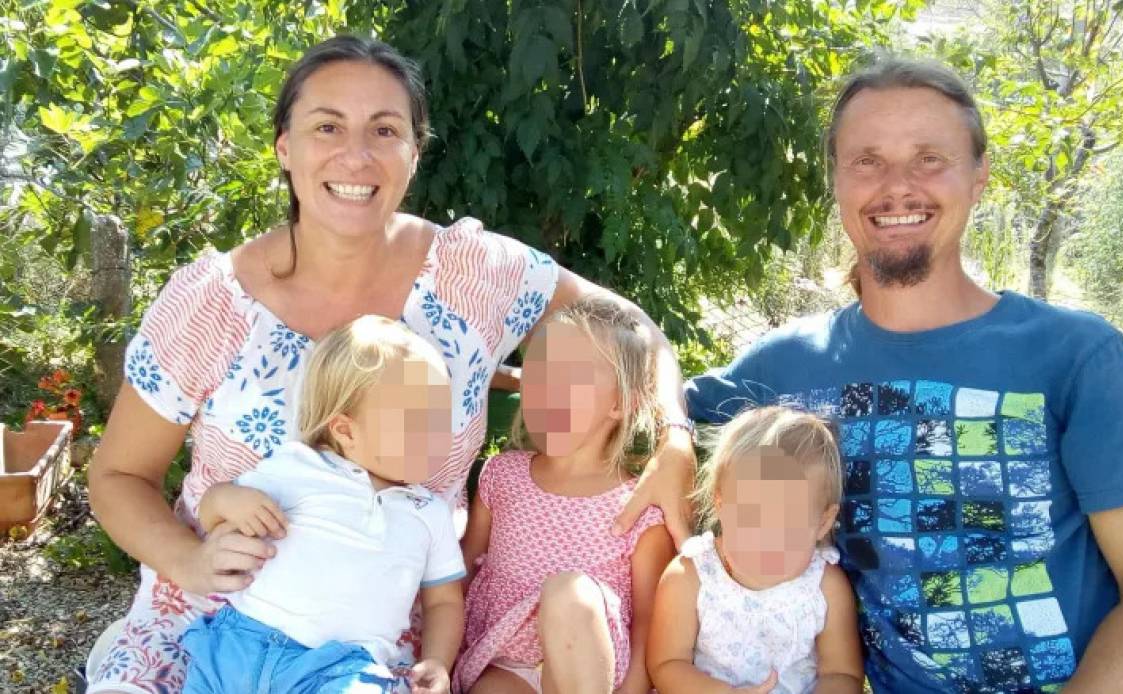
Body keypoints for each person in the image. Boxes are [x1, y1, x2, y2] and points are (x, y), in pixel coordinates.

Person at [87, 35, 695, 694]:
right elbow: (118, 476)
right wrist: (189, 559)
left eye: (384, 130)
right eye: (327, 126)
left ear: (414, 151)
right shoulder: (212, 302)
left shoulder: (473, 275)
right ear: (284, 147)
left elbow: (630, 327)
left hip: (386, 651)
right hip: (210, 628)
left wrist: (674, 437)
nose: (356, 155)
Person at [684, 57, 1123, 693]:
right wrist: (669, 442)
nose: (897, 186)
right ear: (836, 181)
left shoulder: (1078, 357)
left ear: (979, 176)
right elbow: (636, 399)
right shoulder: (782, 369)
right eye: (867, 160)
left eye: (929, 158)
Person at [181, 316, 463, 693]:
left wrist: (439, 661)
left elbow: (444, 601)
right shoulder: (297, 467)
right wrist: (226, 499)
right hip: (240, 642)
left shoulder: (429, 512)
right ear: (345, 430)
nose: (435, 436)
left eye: (440, 419)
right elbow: (210, 511)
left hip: (339, 669)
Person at [455, 296, 676, 693]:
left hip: (590, 673)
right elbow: (462, 576)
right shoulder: (502, 476)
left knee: (569, 594)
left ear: (622, 402)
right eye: (539, 373)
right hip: (504, 664)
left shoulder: (638, 506)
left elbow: (649, 624)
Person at [648, 406, 864, 693]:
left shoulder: (824, 585)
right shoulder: (691, 576)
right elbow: (667, 663)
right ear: (721, 504)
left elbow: (842, 673)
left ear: (822, 522)